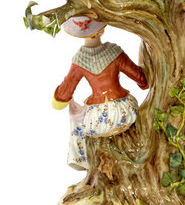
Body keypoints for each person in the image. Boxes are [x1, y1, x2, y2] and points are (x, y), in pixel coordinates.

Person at [51, 16, 148, 170]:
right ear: (102, 30)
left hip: (98, 120)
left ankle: (82, 160)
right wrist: (143, 65)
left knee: (77, 121)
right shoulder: (114, 52)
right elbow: (141, 79)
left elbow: (63, 95)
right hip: (123, 111)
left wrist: (58, 100)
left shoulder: (79, 60)